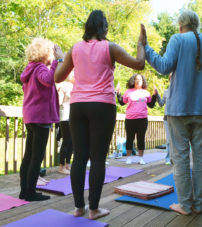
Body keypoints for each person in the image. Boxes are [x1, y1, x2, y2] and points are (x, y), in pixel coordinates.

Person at [54, 10, 146, 220]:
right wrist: (141, 43)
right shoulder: (109, 47)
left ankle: (79, 208)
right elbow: (139, 64)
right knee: (97, 158)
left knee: (79, 157)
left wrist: (61, 59)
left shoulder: (75, 49)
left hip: (77, 107)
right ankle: (93, 209)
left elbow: (58, 77)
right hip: (102, 106)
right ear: (103, 28)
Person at [143, 10, 202, 215]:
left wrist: (146, 47)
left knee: (181, 157)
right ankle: (198, 205)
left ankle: (185, 205)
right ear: (197, 24)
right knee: (201, 157)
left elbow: (163, 66)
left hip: (178, 109)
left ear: (180, 25)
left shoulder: (177, 39)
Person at [19, 37, 63, 201]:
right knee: (36, 157)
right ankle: (30, 192)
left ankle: (24, 191)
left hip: (30, 117)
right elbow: (49, 80)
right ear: (46, 53)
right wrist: (58, 61)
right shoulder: (40, 69)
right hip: (41, 117)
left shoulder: (29, 69)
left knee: (29, 156)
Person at [116, 74, 156, 165]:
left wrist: (154, 95)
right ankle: (129, 158)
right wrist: (118, 93)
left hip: (142, 119)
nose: (138, 81)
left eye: (140, 80)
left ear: (143, 82)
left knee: (141, 138)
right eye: (136, 79)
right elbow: (122, 102)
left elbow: (151, 105)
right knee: (130, 138)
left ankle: (141, 158)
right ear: (133, 81)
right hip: (130, 119)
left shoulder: (146, 92)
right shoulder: (128, 92)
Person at [56, 73, 74, 174]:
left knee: (71, 142)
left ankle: (68, 164)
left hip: (73, 117)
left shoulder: (76, 86)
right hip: (65, 116)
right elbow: (59, 102)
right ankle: (61, 166)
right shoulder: (64, 85)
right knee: (66, 141)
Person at [156, 73, 172, 165]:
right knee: (169, 140)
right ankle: (168, 158)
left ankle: (176, 158)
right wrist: (157, 94)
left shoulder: (181, 90)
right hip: (167, 118)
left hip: (178, 118)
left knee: (177, 140)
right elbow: (161, 103)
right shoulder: (166, 91)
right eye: (170, 78)